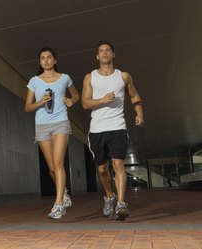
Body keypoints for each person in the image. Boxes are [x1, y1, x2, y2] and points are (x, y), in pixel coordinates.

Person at [81, 40, 144, 220]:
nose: (105, 53)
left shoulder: (123, 76)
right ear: (97, 56)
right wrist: (102, 100)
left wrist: (139, 113)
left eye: (108, 50)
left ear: (113, 54)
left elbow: (134, 95)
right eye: (101, 51)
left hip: (118, 126)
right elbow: (85, 103)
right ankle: (109, 196)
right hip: (97, 129)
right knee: (102, 170)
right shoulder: (90, 77)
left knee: (118, 165)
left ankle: (122, 204)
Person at [25, 47, 80, 219]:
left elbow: (76, 95)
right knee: (51, 169)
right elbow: (27, 107)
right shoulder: (34, 81)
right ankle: (63, 193)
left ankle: (58, 205)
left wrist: (72, 100)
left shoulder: (65, 78)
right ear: (40, 62)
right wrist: (40, 102)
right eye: (43, 58)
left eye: (49, 57)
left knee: (58, 163)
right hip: (42, 125)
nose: (46, 60)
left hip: (60, 123)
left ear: (55, 60)